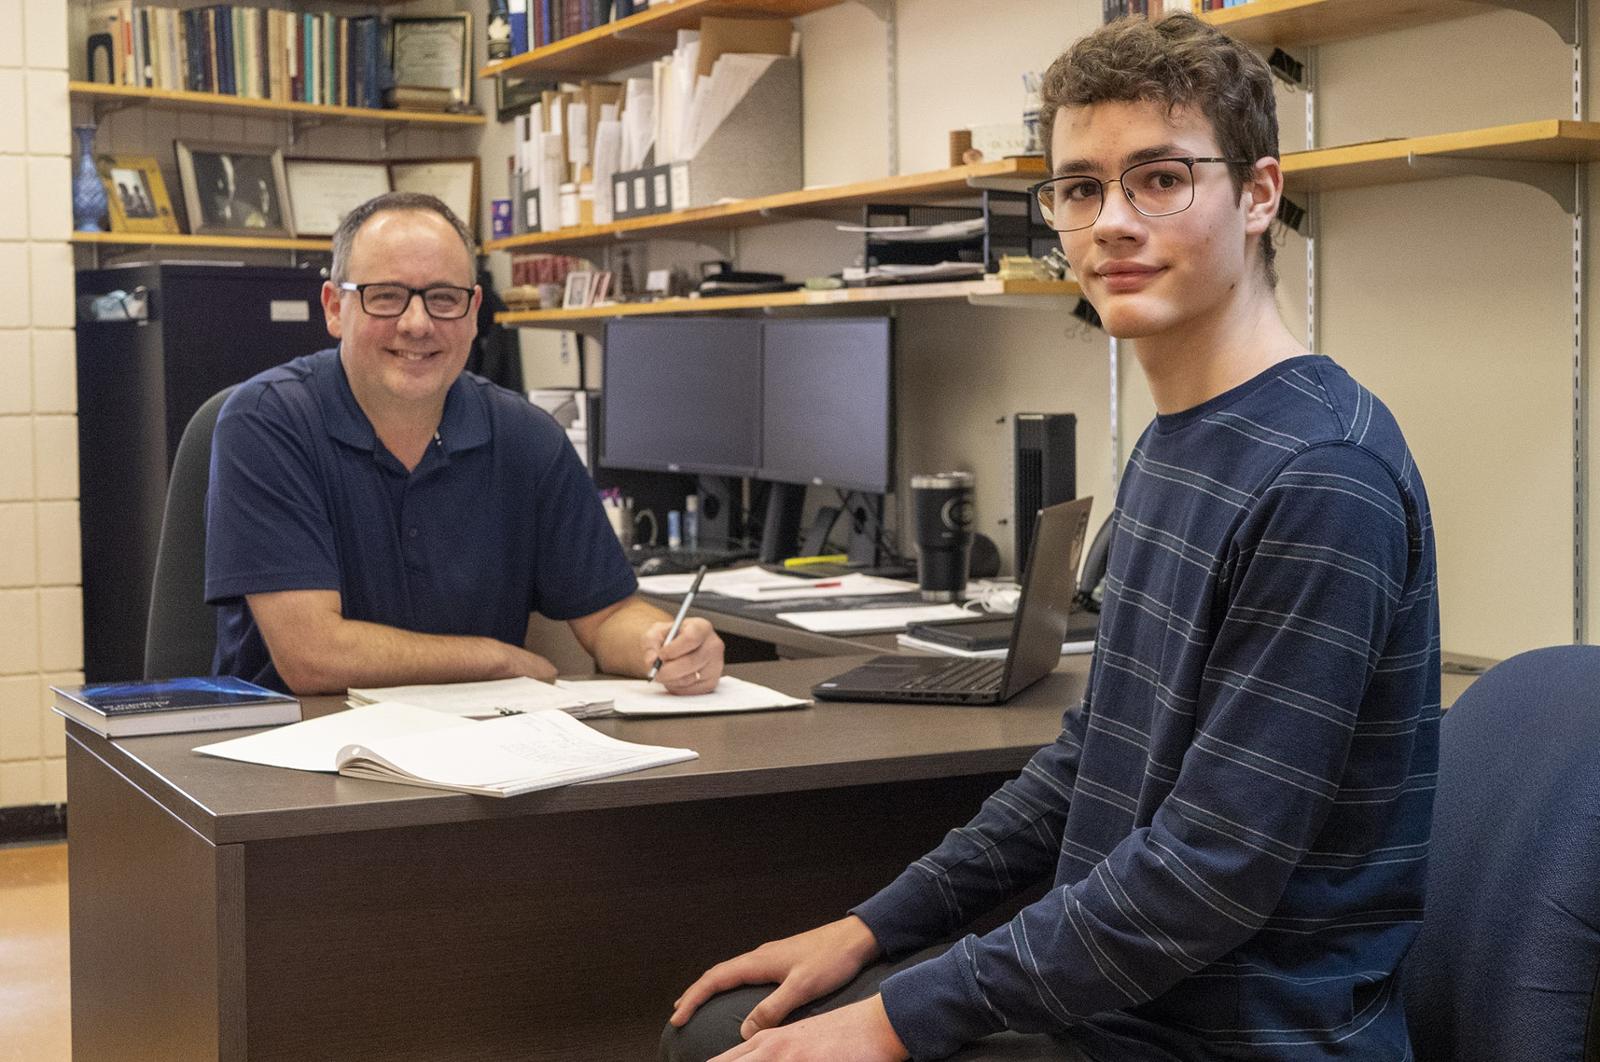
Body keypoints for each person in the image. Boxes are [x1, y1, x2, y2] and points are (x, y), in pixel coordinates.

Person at [664, 13, 1439, 1061]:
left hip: (1239, 1037)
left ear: (1259, 195)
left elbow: (1205, 873)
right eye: (1080, 188)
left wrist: (900, 1017)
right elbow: (1090, 764)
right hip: (1131, 1003)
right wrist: (873, 929)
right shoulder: (1183, 441)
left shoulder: (1317, 475)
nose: (1110, 222)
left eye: (1160, 178)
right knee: (728, 1022)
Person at [205, 191, 725, 697]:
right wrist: (497, 659)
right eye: (385, 296)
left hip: (480, 756)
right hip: (297, 756)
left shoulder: (527, 438)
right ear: (335, 308)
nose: (417, 324)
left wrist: (661, 644)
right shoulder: (268, 422)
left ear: (474, 311)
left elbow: (608, 614)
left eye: (443, 299)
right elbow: (313, 656)